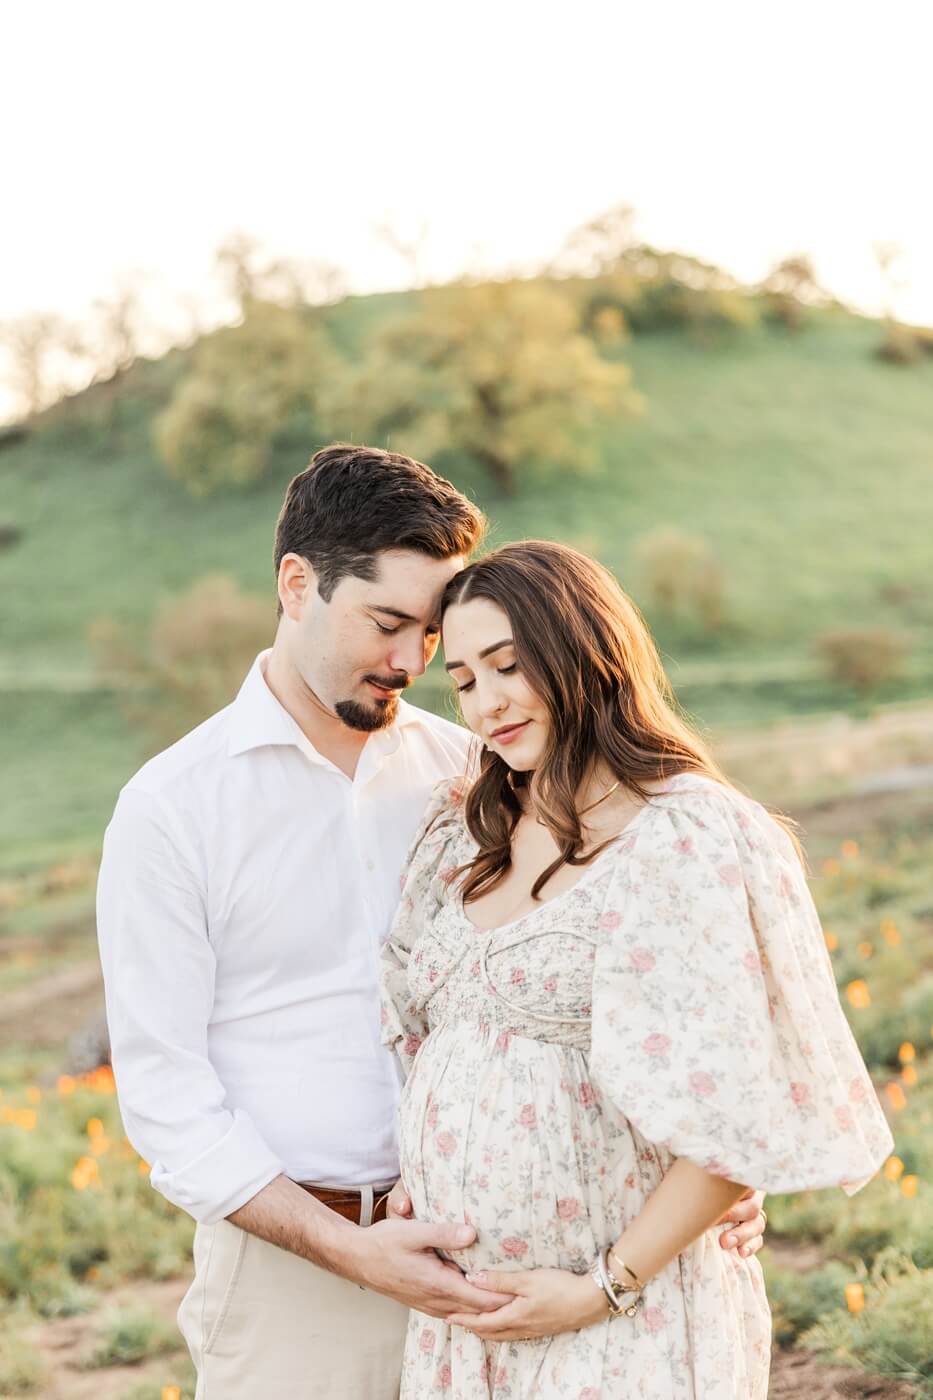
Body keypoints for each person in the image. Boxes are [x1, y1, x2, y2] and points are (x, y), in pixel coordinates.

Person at [96, 447, 767, 1400]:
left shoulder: (477, 775)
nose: (411, 661)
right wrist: (353, 1251)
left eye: (433, 632)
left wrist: (708, 1188)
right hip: (302, 1281)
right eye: (387, 623)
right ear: (297, 585)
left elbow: (621, 991)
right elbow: (167, 1098)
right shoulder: (173, 807)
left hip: (512, 1274)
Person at [380, 540, 893, 1399]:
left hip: (625, 1320)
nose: (487, 703)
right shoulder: (464, 831)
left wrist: (600, 1286)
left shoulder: (685, 836)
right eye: (464, 679)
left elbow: (734, 1110)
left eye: (509, 665)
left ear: (583, 651)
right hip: (467, 1326)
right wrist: (422, 1173)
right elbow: (441, 1041)